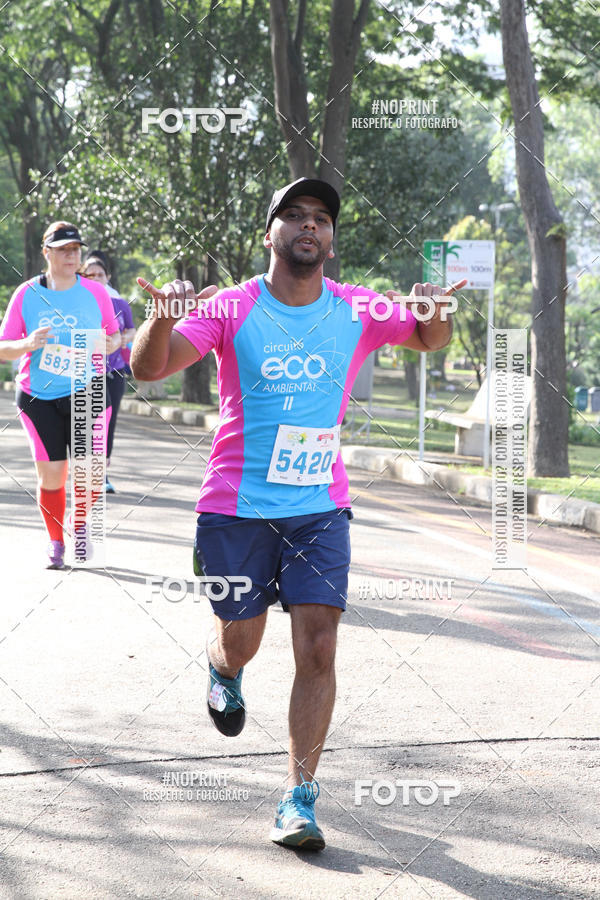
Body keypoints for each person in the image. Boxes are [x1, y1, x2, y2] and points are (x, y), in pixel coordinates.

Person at [131, 178, 463, 851]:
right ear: (271, 233)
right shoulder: (231, 307)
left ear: (331, 239)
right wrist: (161, 315)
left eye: (321, 218)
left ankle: (299, 798)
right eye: (295, 216)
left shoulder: (358, 308)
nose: (310, 226)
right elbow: (149, 368)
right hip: (236, 508)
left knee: (319, 645)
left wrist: (435, 311)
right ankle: (223, 668)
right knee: (243, 638)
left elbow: (430, 339)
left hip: (320, 508)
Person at [0, 220, 120, 568]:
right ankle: (55, 542)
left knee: (91, 473)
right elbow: (3, 346)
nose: (71, 255)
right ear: (46, 252)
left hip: (88, 391)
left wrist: (106, 343)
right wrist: (27, 343)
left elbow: (114, 336)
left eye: (76, 249)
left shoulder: (95, 292)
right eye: (64, 249)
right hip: (39, 396)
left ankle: (79, 525)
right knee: (52, 475)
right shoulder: (26, 294)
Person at [80, 255, 136, 493]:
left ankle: (101, 474)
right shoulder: (77, 303)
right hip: (82, 371)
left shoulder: (119, 303)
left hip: (113, 371)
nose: (95, 279)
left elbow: (132, 329)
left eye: (99, 274)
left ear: (108, 277)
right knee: (84, 422)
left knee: (107, 422)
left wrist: (121, 339)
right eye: (89, 275)